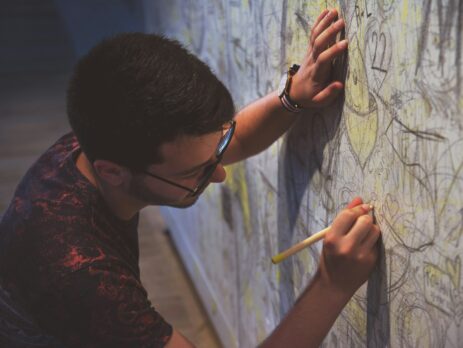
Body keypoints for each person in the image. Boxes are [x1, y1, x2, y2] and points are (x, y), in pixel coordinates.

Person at [0, 8, 380, 348]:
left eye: (214, 153)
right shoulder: (82, 278)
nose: (219, 173)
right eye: (193, 173)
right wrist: (332, 284)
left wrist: (291, 96)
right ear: (113, 172)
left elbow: (229, 140)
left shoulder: (107, 137)